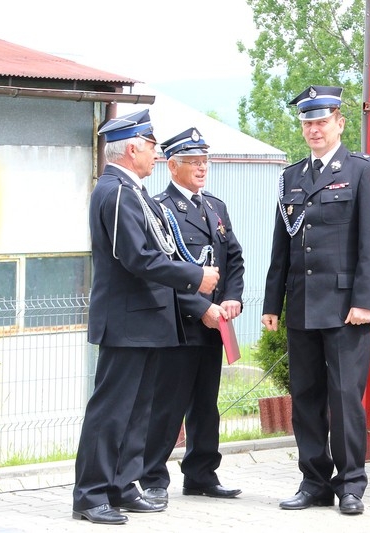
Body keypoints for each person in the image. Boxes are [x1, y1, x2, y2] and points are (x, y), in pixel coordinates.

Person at [72, 110, 220, 525]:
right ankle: (90, 494)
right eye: (152, 146)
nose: (156, 154)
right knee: (111, 411)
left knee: (138, 411)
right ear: (133, 148)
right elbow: (138, 257)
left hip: (145, 321)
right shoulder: (116, 192)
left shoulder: (131, 190)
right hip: (127, 321)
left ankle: (121, 485)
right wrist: (195, 277)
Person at [261, 85, 370, 516]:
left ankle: (351, 484)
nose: (314, 130)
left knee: (344, 398)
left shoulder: (363, 171)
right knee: (306, 398)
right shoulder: (291, 177)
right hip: (301, 305)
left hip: (344, 309)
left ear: (339, 122)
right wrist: (272, 303)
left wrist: (365, 301)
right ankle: (314, 481)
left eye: (321, 121)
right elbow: (282, 244)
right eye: (308, 123)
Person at [139, 127, 244, 504]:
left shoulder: (215, 206)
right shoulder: (159, 209)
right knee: (167, 406)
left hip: (215, 325)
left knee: (205, 405)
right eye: (193, 162)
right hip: (178, 326)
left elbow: (233, 259)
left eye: (205, 161)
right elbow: (161, 272)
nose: (202, 168)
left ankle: (201, 474)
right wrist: (202, 308)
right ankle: (152, 477)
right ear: (172, 166)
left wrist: (231, 299)